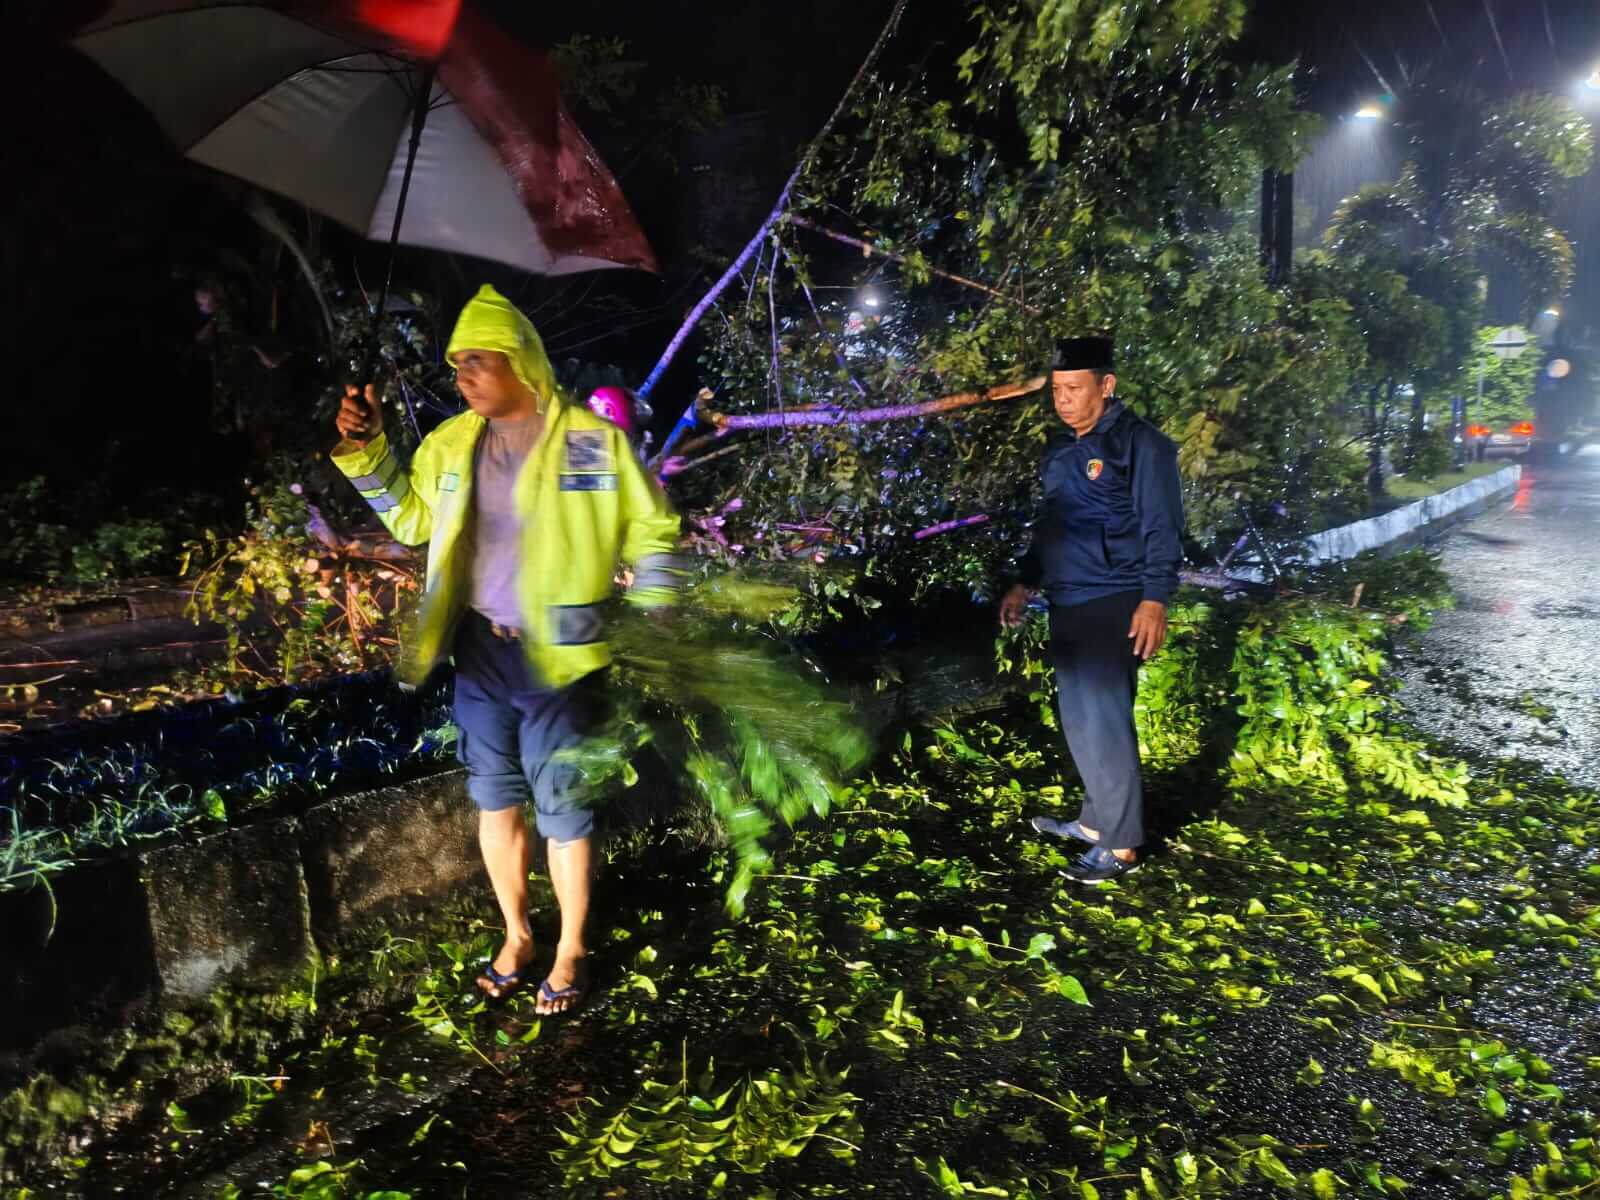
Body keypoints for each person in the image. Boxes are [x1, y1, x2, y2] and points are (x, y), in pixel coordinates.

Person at [332, 284, 685, 1012]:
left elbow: (649, 528)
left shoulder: (592, 442)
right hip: (480, 650)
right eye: (456, 362)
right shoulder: (452, 444)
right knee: (495, 799)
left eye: (477, 361)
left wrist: (654, 606)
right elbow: (407, 519)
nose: (461, 375)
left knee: (562, 809)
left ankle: (572, 947)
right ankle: (518, 935)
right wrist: (366, 448)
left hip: (562, 650)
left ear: (522, 363)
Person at [999, 336, 1184, 884]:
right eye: (1057, 390)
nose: (1064, 399)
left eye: (1074, 388)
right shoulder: (1060, 452)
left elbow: (1162, 527)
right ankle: (1096, 823)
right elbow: (1051, 527)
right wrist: (1024, 580)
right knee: (1080, 721)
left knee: (1105, 721)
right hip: (1068, 598)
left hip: (1116, 598)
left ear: (1107, 385)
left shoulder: (1143, 446)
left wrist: (1155, 599)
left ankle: (1123, 846)